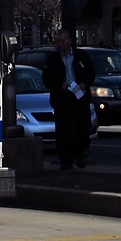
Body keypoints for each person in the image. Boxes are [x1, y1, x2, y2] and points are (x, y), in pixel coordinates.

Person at [42, 29, 96, 171]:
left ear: (70, 41)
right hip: (62, 98)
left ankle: (79, 153)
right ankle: (66, 160)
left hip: (80, 96)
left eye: (63, 41)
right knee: (63, 131)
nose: (61, 44)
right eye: (58, 41)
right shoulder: (52, 58)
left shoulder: (81, 56)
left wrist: (84, 84)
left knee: (83, 128)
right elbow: (46, 79)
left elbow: (91, 73)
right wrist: (60, 85)